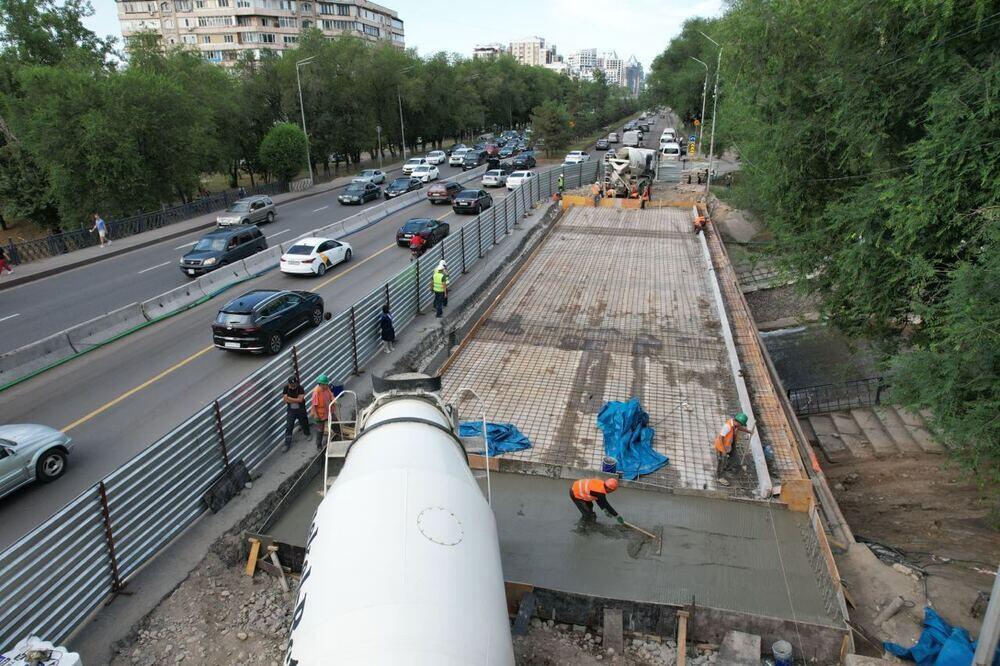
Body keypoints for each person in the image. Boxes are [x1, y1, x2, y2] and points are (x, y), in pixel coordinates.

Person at [714, 412, 754, 486]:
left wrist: (748, 431)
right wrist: (723, 450)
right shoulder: (727, 426)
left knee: (734, 458)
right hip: (722, 448)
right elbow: (721, 438)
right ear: (737, 422)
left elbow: (739, 428)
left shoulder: (735, 425)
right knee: (721, 462)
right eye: (740, 424)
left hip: (730, 445)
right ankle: (719, 477)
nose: (741, 426)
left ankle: (727, 468)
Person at [309, 374, 338, 451]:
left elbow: (331, 395)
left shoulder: (326, 388)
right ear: (321, 384)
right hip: (320, 414)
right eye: (325, 384)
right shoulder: (316, 392)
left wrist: (334, 400)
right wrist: (316, 415)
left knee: (335, 422)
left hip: (328, 411)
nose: (327, 385)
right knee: (320, 429)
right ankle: (318, 445)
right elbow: (314, 405)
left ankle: (338, 435)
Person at [282, 376, 310, 452]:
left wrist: (289, 399)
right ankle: (287, 443)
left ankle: (307, 434)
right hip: (291, 410)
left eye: (295, 385)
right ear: (289, 384)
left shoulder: (300, 388)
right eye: (292, 385)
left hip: (300, 409)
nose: (293, 386)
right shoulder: (286, 388)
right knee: (289, 426)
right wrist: (294, 400)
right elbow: (285, 400)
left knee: (304, 422)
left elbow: (300, 400)